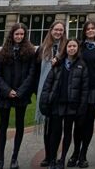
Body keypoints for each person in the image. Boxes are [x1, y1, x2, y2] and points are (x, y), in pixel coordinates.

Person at [0, 21, 36, 169]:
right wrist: (7, 90)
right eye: (17, 34)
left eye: (22, 34)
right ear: (12, 34)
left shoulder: (30, 52)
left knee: (20, 125)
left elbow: (32, 75)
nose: (19, 36)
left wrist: (20, 91)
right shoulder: (4, 51)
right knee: (3, 126)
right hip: (5, 95)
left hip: (21, 95)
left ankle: (14, 158)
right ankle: (0, 159)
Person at [40, 38, 89, 169]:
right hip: (57, 103)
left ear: (77, 49)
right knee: (55, 132)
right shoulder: (58, 64)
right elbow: (48, 83)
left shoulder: (82, 65)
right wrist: (45, 100)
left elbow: (84, 89)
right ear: (65, 48)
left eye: (74, 46)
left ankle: (62, 159)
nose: (72, 48)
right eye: (69, 46)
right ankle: (52, 159)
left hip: (72, 105)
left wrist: (82, 106)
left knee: (68, 133)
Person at [70, 20, 95, 168]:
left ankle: (83, 155)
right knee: (78, 123)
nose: (91, 31)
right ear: (84, 31)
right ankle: (74, 152)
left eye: (93, 28)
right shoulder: (79, 46)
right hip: (79, 91)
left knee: (88, 123)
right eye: (88, 29)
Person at [36, 21, 67, 168]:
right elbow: (35, 72)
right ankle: (48, 156)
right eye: (56, 29)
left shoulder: (66, 48)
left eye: (61, 30)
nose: (58, 32)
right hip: (45, 92)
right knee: (47, 127)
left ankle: (54, 157)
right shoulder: (42, 49)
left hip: (60, 93)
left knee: (56, 127)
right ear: (51, 30)